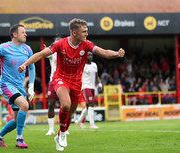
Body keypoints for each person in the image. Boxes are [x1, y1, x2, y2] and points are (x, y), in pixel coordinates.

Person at [18, 18, 125, 151]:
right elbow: (40, 54)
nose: (87, 34)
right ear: (74, 33)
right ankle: (62, 134)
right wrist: (24, 64)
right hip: (60, 78)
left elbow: (103, 53)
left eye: (87, 31)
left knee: (70, 114)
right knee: (66, 104)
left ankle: (58, 136)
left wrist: (117, 53)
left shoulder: (86, 45)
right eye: (84, 31)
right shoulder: (60, 44)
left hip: (76, 82)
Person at [45, 36, 69, 136]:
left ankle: (65, 128)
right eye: (56, 42)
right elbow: (46, 54)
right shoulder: (52, 53)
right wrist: (45, 50)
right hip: (53, 81)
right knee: (51, 105)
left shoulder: (67, 53)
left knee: (65, 106)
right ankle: (51, 129)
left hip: (65, 82)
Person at [75, 52, 102, 129]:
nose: (90, 57)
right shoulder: (82, 66)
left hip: (93, 87)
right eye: (89, 55)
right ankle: (92, 124)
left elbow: (97, 76)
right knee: (91, 104)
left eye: (91, 55)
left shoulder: (94, 65)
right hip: (85, 87)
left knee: (87, 106)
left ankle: (78, 121)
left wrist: (99, 84)